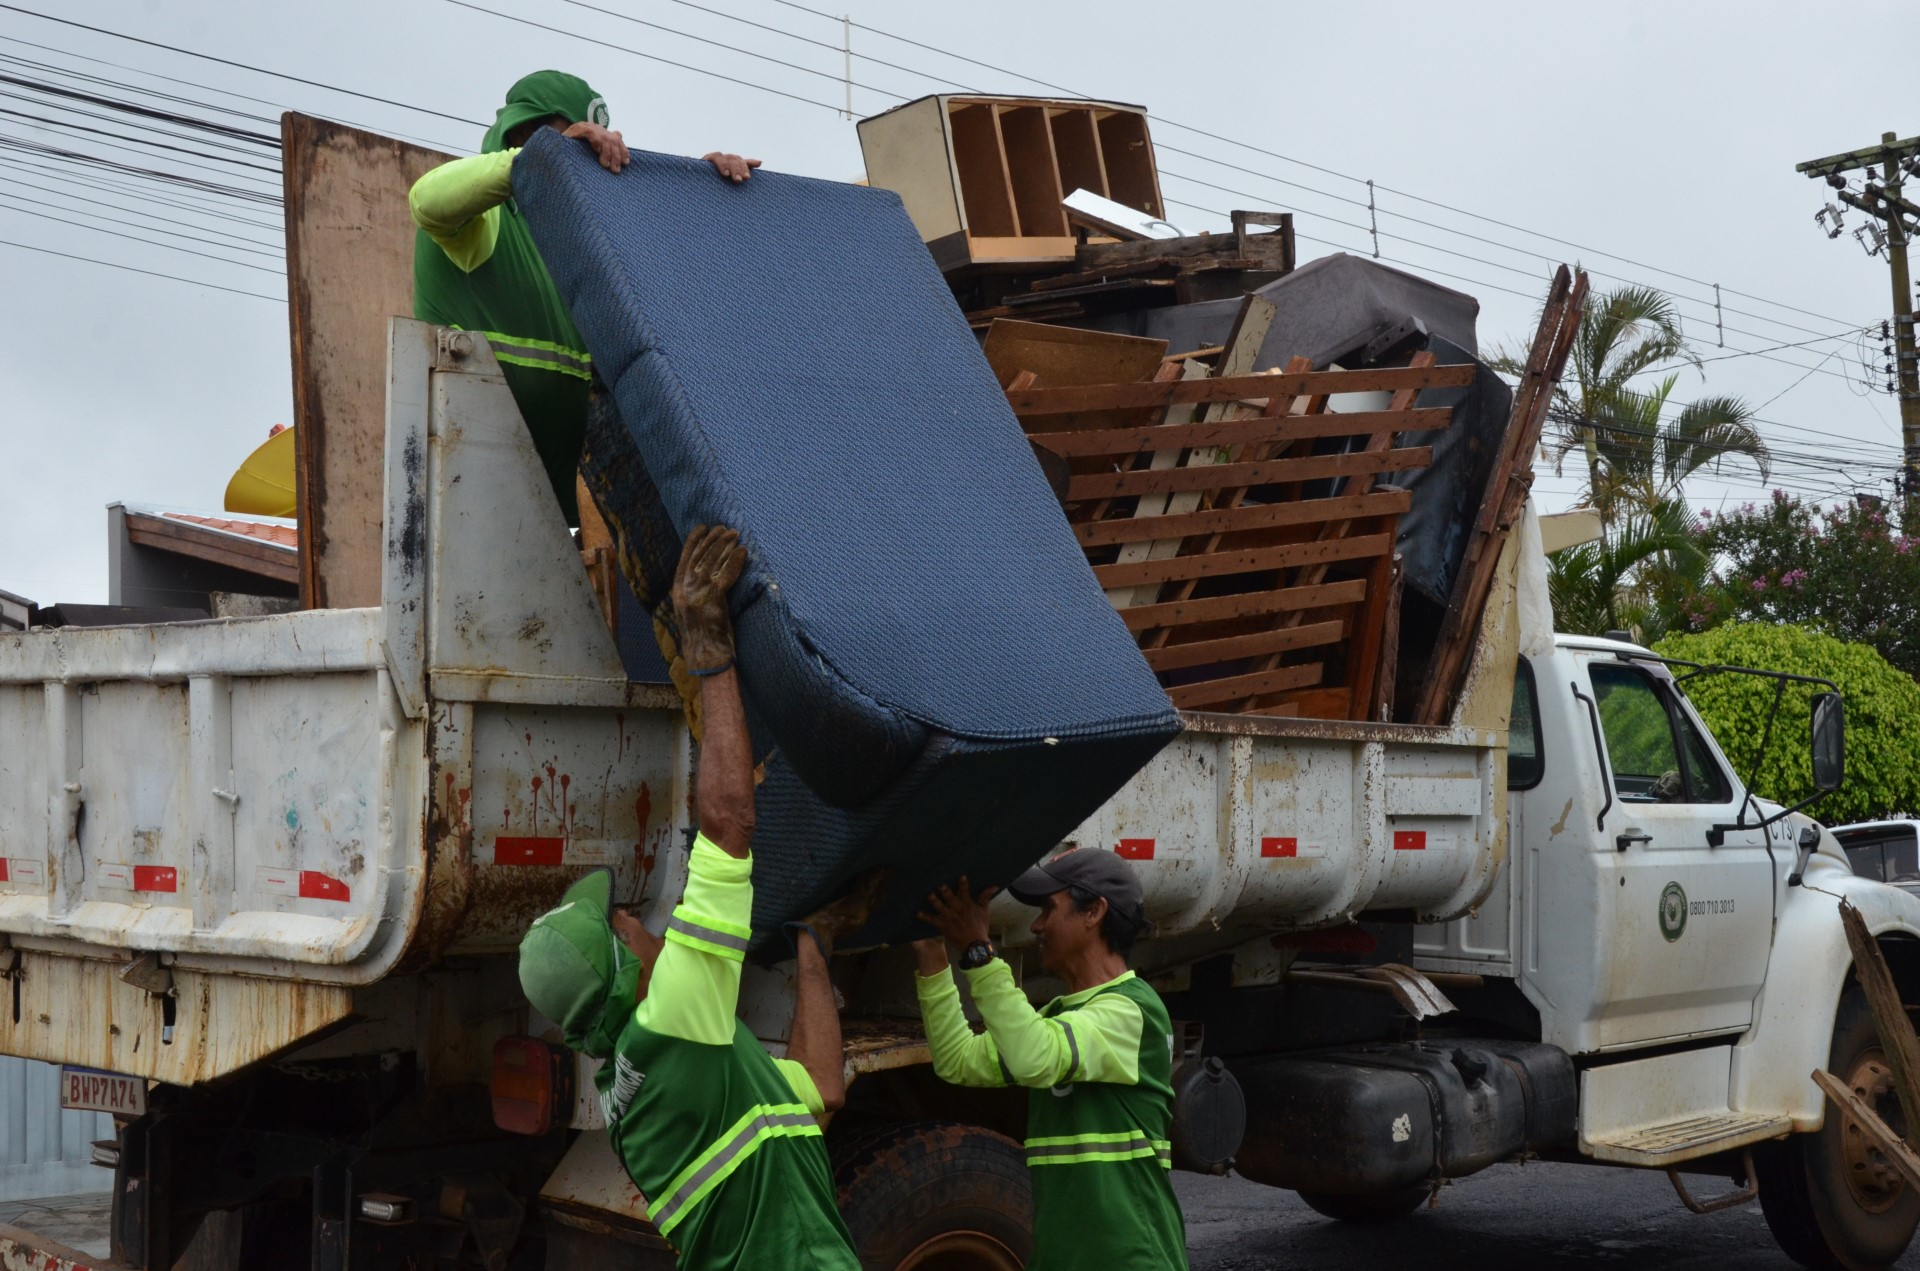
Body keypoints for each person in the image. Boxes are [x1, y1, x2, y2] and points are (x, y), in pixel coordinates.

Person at [517, 524, 861, 1269]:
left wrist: (813, 947)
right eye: (625, 924)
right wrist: (709, 651)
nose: (646, 926)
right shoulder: (673, 1015)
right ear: (624, 964)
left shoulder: (639, 1083)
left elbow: (821, 1090)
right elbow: (730, 822)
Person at [409, 71, 758, 524]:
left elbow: (677, 282)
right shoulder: (483, 222)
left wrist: (699, 195)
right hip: (466, 491)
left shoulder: (581, 243)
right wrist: (539, 160)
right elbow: (425, 199)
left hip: (561, 509)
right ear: (523, 134)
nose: (593, 161)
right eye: (581, 144)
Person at [913, 851, 1187, 1270]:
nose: (1036, 926)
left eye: (1048, 909)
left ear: (1094, 912)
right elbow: (958, 1059)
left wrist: (978, 951)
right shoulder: (1060, 1018)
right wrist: (932, 952)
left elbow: (1033, 1058)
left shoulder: (1132, 1010)